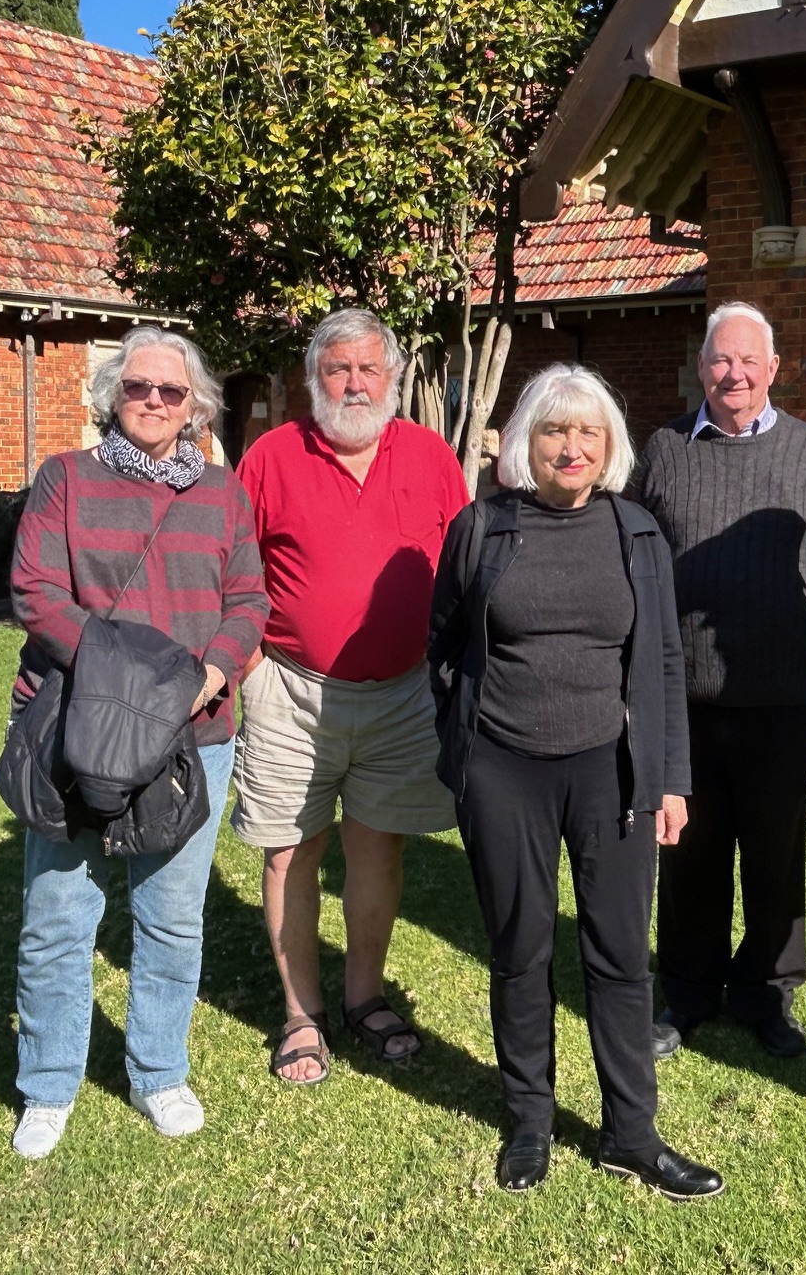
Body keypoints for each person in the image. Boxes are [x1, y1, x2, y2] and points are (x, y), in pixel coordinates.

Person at [428, 364, 723, 1200]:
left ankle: (632, 1134)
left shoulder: (636, 532)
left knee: (621, 955)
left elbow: (662, 660)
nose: (572, 446)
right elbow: (443, 644)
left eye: (588, 431)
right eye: (555, 430)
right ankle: (529, 1120)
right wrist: (464, 748)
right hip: (503, 768)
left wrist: (670, 779)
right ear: (528, 441)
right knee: (520, 948)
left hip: (611, 767)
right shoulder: (482, 527)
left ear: (608, 445)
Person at [7, 326, 269, 1159]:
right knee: (58, 917)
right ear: (112, 395)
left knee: (172, 918)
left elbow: (249, 601)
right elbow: (36, 592)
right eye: (137, 387)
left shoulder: (222, 494)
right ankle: (49, 1083)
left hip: (193, 734)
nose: (154, 401)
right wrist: (130, 684)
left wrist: (209, 675)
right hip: (78, 727)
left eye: (171, 391)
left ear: (195, 407)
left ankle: (158, 1071)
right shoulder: (65, 479)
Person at [231, 309, 468, 1084]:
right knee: (290, 850)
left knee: (377, 845)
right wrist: (251, 667)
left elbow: (463, 567)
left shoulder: (430, 456)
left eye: (369, 369)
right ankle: (301, 1015)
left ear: (392, 377)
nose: (355, 384)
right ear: (314, 380)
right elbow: (234, 568)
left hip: (402, 693)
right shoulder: (271, 456)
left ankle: (365, 997)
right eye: (339, 370)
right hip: (291, 691)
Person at [634, 302, 806, 1060]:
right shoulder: (664, 451)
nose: (735, 374)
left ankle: (767, 992)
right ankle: (689, 990)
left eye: (749, 360)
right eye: (721, 360)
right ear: (702, 368)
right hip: (685, 699)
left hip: (779, 700)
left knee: (774, 852)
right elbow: (640, 554)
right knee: (688, 852)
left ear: (773, 370)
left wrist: (784, 626)